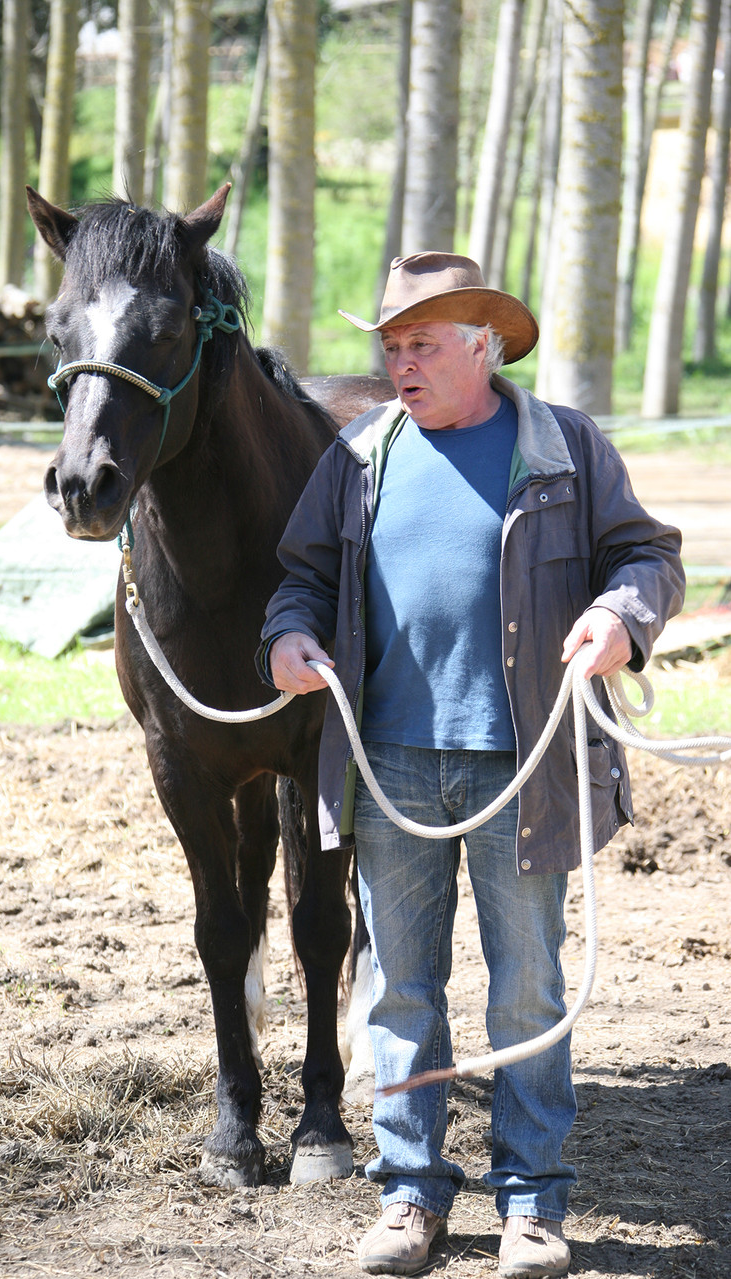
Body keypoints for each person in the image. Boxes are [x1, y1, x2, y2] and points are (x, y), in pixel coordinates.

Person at [256, 253, 685, 1278]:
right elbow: (300, 578)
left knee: (527, 990)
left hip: (521, 764)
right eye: (390, 346)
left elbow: (647, 556)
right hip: (389, 761)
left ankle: (532, 1206)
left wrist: (618, 617)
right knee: (400, 989)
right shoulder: (359, 454)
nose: (399, 363)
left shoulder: (563, 447)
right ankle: (408, 1196)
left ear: (483, 347)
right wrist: (285, 638)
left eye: (421, 345)